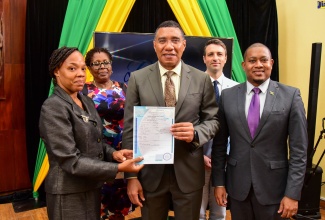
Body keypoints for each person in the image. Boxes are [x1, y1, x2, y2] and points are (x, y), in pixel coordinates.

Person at [122, 20, 219, 220]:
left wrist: (196, 133)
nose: (169, 46)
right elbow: (130, 128)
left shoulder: (201, 79)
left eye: (175, 40)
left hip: (189, 172)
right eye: (162, 40)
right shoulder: (138, 79)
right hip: (149, 173)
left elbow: (213, 120)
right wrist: (131, 176)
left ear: (183, 44)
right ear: (154, 45)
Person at [39, 46, 144, 220]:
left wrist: (114, 153)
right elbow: (70, 160)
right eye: (72, 68)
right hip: (68, 192)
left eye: (82, 68)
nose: (80, 74)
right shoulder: (53, 107)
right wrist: (117, 168)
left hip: (91, 187)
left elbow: (96, 140)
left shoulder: (85, 101)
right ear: (57, 71)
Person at [212, 43, 308, 220]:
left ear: (271, 63)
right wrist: (219, 182)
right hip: (238, 187)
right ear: (244, 65)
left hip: (274, 190)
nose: (258, 65)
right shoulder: (228, 96)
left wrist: (293, 194)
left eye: (263, 60)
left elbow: (299, 151)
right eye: (252, 60)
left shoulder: (291, 96)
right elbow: (219, 145)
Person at [82, 47, 132, 220]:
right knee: (98, 202)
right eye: (96, 63)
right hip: (95, 153)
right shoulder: (83, 91)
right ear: (89, 68)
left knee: (118, 201)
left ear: (111, 65)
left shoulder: (124, 87)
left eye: (105, 62)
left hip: (122, 152)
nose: (102, 67)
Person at [200, 39, 238, 220]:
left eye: (219, 54)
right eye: (211, 54)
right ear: (204, 59)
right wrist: (199, 155)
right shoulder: (192, 86)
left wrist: (225, 156)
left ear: (225, 59)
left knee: (219, 212)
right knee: (196, 212)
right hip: (197, 159)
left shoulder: (237, 89)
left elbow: (239, 128)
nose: (215, 58)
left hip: (224, 161)